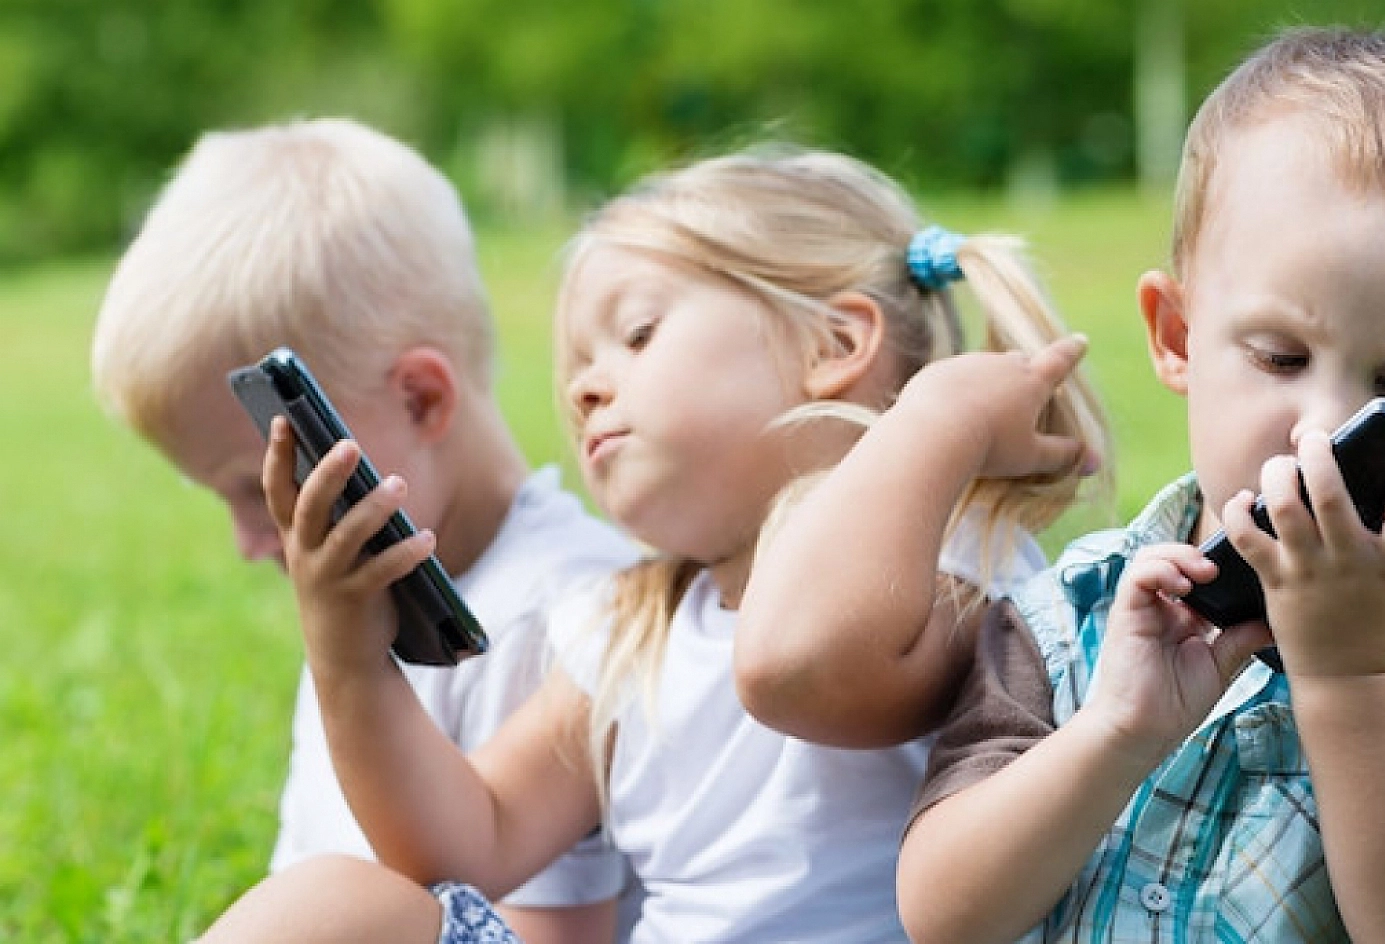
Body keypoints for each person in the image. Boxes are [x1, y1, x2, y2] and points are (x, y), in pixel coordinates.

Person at [738, 27, 1385, 943]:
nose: (1320, 428)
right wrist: (1115, 731)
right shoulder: (1063, 620)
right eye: (1279, 356)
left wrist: (1349, 682)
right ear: (1177, 338)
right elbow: (947, 915)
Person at [194, 147, 1112, 943]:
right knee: (331, 901)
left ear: (836, 340)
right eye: (576, 374)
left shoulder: (961, 573)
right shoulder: (631, 626)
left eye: (635, 334)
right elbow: (463, 847)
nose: (589, 390)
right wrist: (346, 649)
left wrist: (937, 417)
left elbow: (801, 665)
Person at [89, 118, 640, 943]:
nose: (249, 539)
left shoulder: (564, 615)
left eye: (260, 489)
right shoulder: (361, 615)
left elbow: (556, 931)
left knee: (329, 904)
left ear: (421, 399)